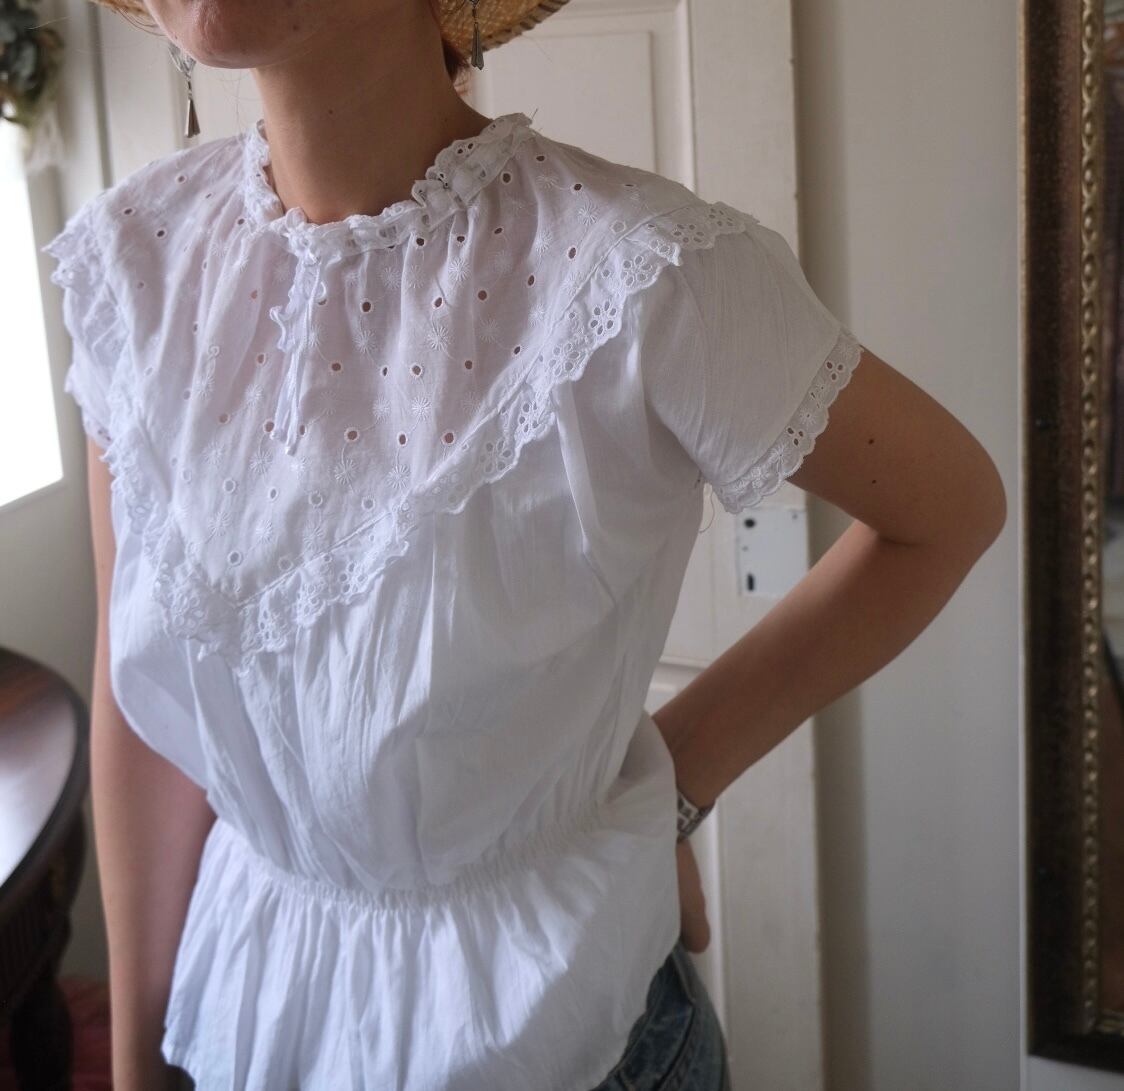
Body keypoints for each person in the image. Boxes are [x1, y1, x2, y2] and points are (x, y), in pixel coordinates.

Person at [40, 0, 1007, 1087]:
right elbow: (143, 709)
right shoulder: (134, 262)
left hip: (571, 1038)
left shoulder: (644, 271)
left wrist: (675, 781)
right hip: (247, 1028)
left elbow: (946, 510)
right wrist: (137, 1058)